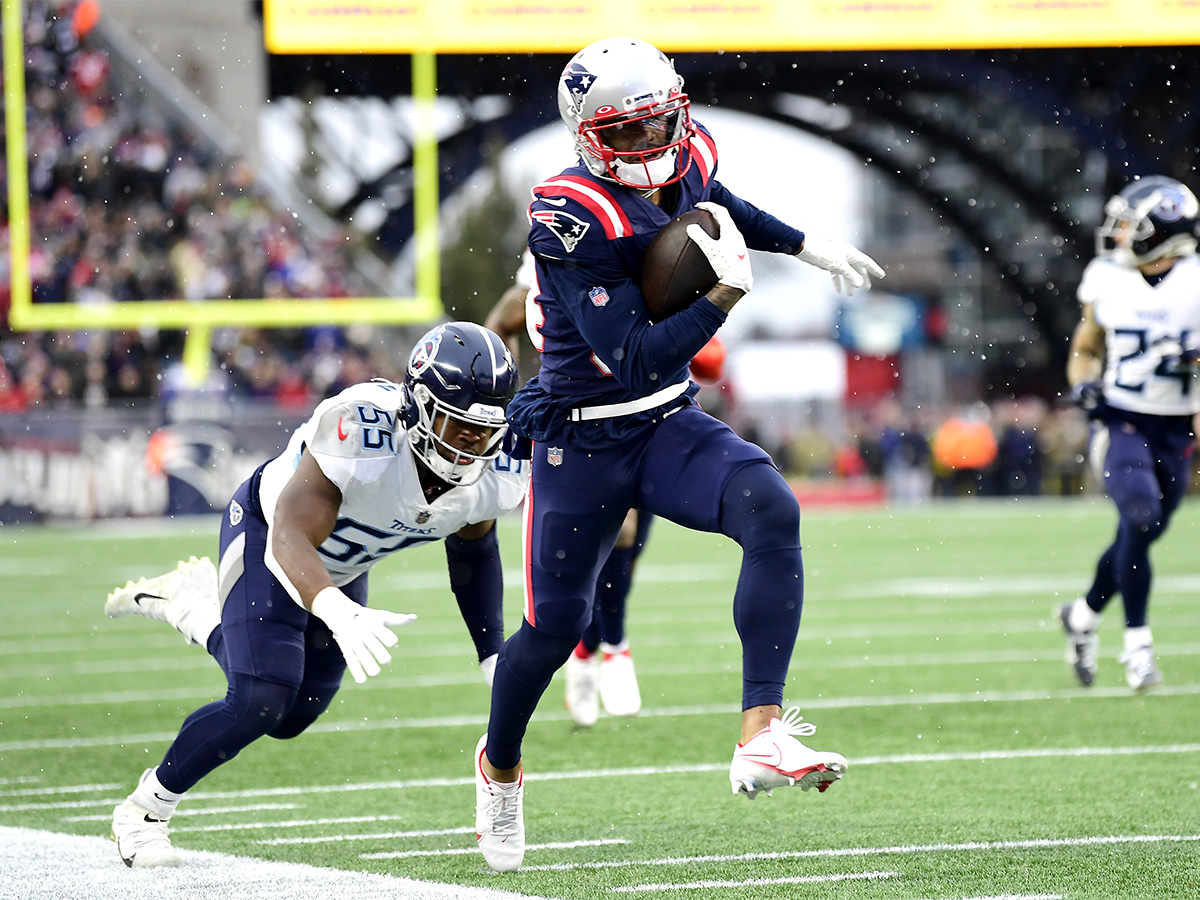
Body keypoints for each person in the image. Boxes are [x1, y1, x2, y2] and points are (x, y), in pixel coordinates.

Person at [472, 36, 884, 872]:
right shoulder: (569, 211)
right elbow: (632, 352)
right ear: (586, 136)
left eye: (660, 124)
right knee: (555, 630)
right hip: (583, 437)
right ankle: (500, 767)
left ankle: (760, 732)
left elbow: (716, 199)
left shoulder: (684, 155)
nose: (649, 147)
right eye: (626, 135)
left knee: (772, 506)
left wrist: (805, 246)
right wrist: (726, 296)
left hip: (663, 424)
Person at [103, 322, 525, 868]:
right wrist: (333, 607)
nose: (472, 446)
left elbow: (473, 550)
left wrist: (492, 654)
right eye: (459, 427)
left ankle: (195, 608)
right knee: (260, 697)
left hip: (343, 566)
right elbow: (288, 537)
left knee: (292, 716)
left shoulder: (496, 467)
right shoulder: (360, 426)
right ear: (419, 406)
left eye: (483, 432)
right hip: (270, 535)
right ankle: (145, 810)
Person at [485, 252, 729, 726]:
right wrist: (507, 389)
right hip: (579, 424)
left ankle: (590, 651)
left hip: (649, 415)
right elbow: (502, 321)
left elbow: (695, 342)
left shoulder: (643, 259)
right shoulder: (550, 277)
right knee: (596, 555)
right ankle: (610, 646)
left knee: (626, 554)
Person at [1060, 175, 1200, 692]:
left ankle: (1081, 615)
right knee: (1139, 515)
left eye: (1130, 226)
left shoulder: (1195, 281)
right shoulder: (1107, 277)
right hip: (1121, 418)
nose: (1118, 235)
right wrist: (1084, 388)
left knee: (1141, 530)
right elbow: (1085, 349)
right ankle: (1138, 646)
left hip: (1175, 425)